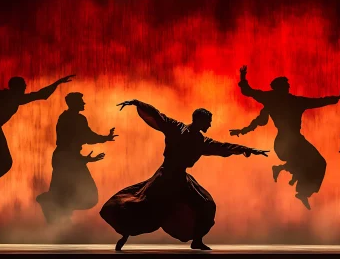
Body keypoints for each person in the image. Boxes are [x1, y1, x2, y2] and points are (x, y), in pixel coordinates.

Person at [99, 99, 269, 251]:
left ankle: (197, 240)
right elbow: (158, 116)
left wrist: (248, 150)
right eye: (208, 122)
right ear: (199, 120)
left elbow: (223, 146)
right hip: (165, 177)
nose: (209, 126)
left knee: (206, 205)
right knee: (144, 206)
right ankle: (125, 235)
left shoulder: (201, 141)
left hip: (181, 179)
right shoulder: (176, 128)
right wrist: (138, 104)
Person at [230, 65, 340, 209]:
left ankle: (301, 190)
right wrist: (242, 77)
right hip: (286, 144)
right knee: (309, 163)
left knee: (319, 163)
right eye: (286, 85)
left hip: (293, 142)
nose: (288, 87)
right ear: (279, 88)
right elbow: (248, 92)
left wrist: (337, 97)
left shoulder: (285, 100)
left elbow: (318, 102)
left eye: (288, 85)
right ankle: (286, 173)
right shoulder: (275, 99)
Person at [0, 75, 75, 206]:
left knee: (2, 162)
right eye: (23, 85)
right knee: (5, 162)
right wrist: (57, 82)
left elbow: (41, 95)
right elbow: (40, 94)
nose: (26, 87)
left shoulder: (8, 96)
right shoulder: (9, 97)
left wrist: (57, 83)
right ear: (17, 87)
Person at [36, 92, 118, 224]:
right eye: (81, 101)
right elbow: (85, 136)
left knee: (65, 192)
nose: (84, 103)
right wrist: (105, 138)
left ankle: (58, 216)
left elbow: (80, 138)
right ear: (74, 103)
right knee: (88, 196)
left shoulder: (65, 117)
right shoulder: (75, 119)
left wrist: (84, 158)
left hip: (65, 158)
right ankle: (53, 208)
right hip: (68, 159)